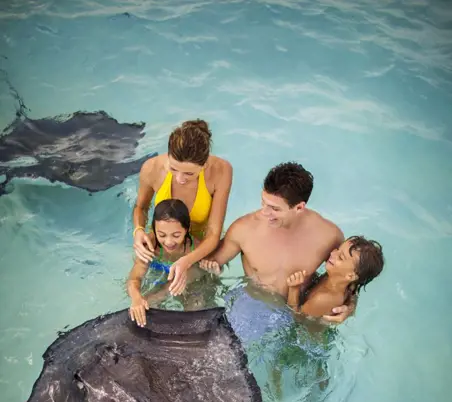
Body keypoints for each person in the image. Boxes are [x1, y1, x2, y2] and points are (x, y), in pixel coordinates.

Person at [199, 162, 353, 323]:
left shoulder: (329, 236)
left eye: (275, 208)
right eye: (263, 202)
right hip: (253, 307)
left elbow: (349, 278)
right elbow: (207, 264)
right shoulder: (244, 229)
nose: (265, 213)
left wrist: (349, 308)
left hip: (300, 311)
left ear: (299, 208)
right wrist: (210, 271)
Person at [132, 119, 232, 296]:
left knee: (197, 305)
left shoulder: (221, 171)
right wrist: (138, 230)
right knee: (148, 298)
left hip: (200, 251)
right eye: (174, 169)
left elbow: (213, 234)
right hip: (162, 245)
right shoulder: (151, 168)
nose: (180, 178)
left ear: (205, 165)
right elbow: (141, 208)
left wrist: (187, 261)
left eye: (189, 173)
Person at [128, 199, 199, 327]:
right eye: (162, 235)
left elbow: (204, 270)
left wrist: (212, 266)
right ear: (154, 229)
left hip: (185, 284)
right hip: (158, 277)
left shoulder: (194, 248)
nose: (168, 242)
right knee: (143, 306)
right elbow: (134, 278)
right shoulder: (150, 245)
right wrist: (136, 297)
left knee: (195, 306)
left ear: (187, 229)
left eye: (176, 235)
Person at [286, 236, 384, 317]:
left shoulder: (323, 299)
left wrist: (294, 289)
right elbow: (353, 294)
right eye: (337, 249)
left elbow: (296, 317)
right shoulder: (347, 284)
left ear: (350, 276)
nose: (333, 253)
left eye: (341, 257)